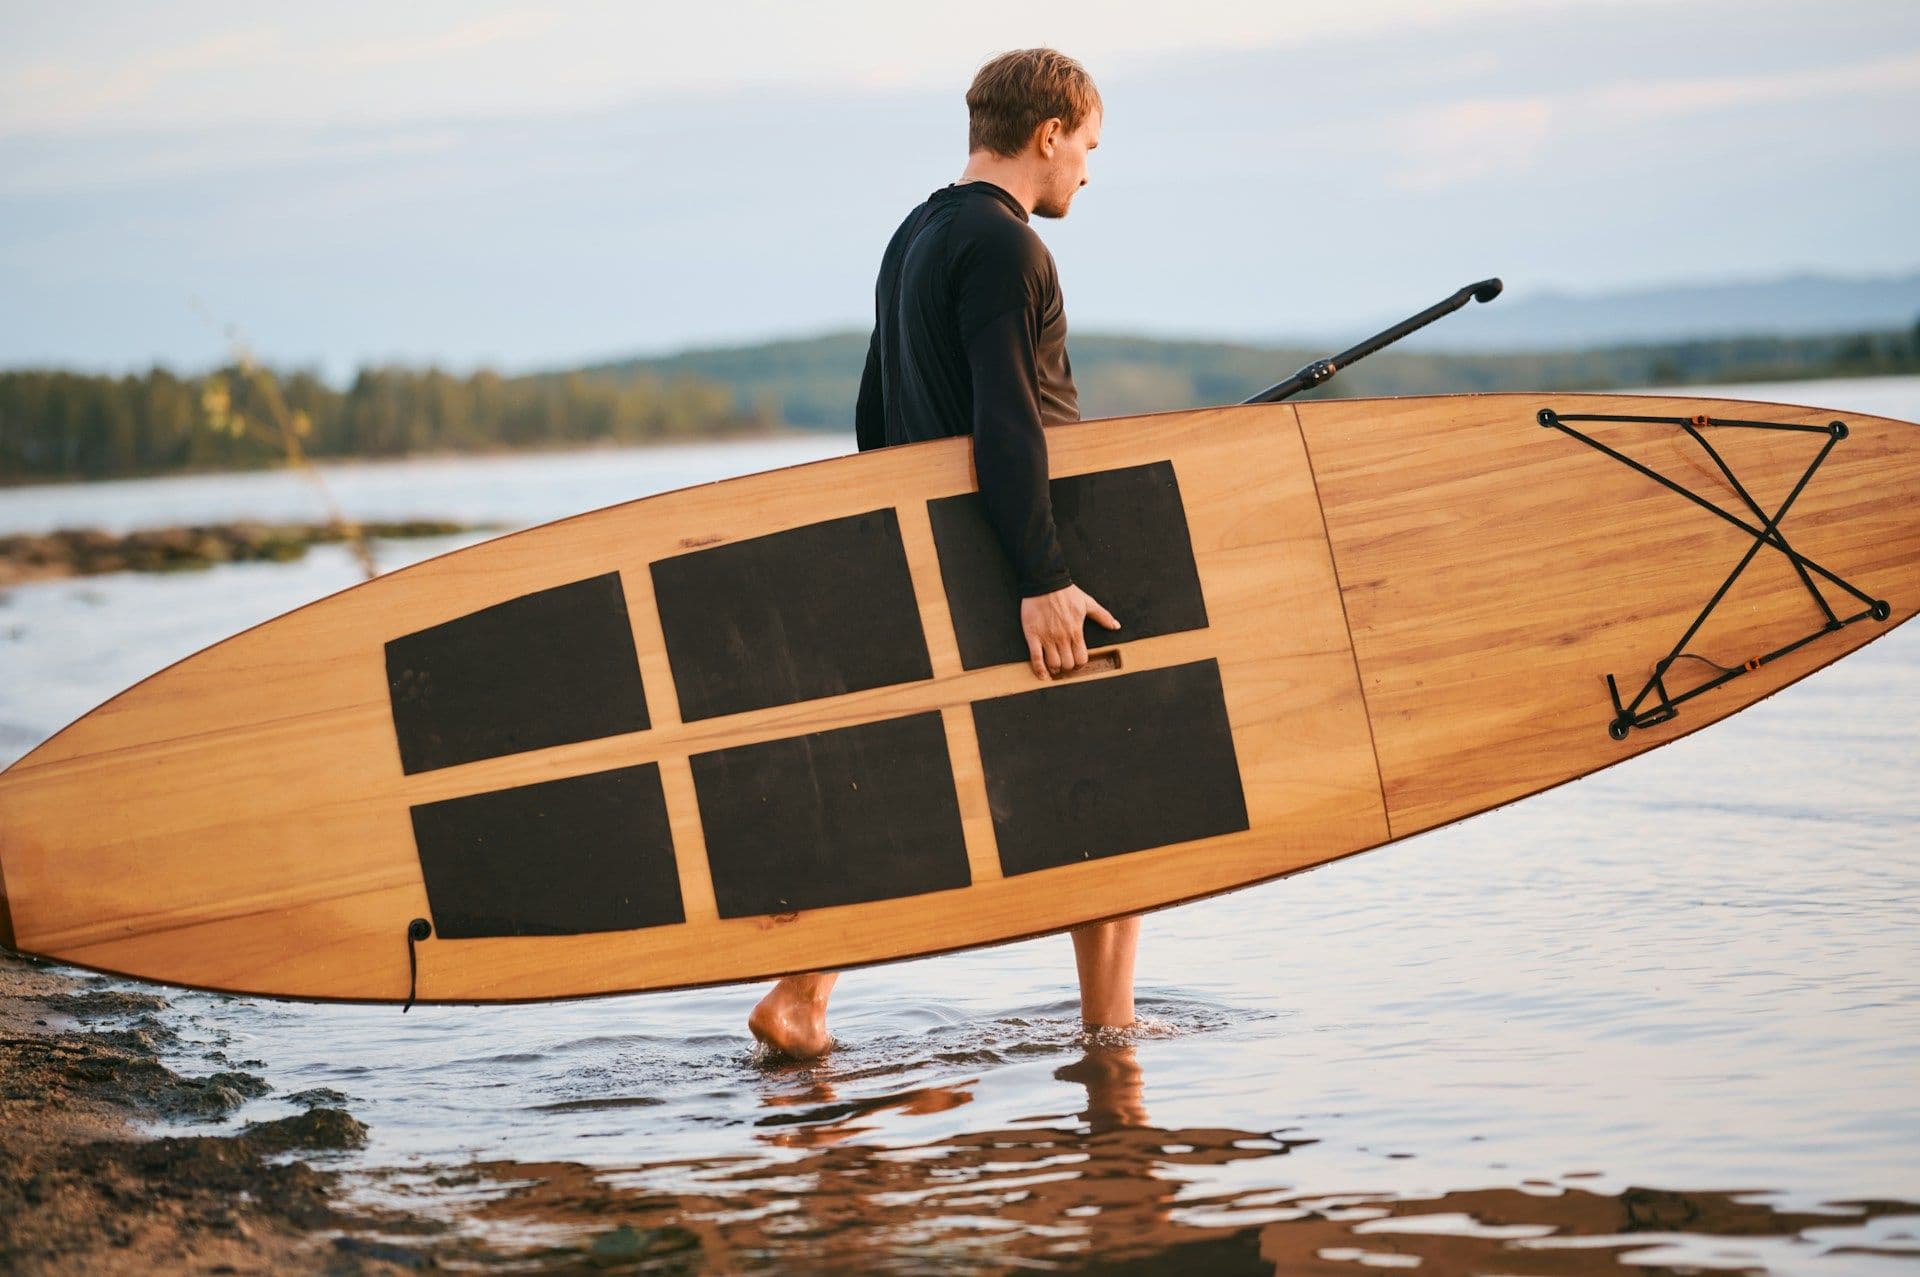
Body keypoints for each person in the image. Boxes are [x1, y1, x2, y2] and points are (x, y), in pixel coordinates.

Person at [748, 48, 1139, 1059]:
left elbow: (874, 416)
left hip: (945, 559)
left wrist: (902, 559)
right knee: (1115, 791)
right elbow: (1009, 422)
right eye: (1089, 146)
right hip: (1011, 562)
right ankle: (1113, 1042)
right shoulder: (1010, 249)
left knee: (926, 781)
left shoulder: (915, 237)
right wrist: (1043, 577)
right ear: (1048, 133)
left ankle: (804, 994)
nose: (1089, 170)